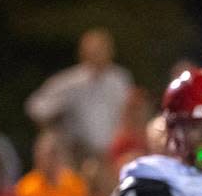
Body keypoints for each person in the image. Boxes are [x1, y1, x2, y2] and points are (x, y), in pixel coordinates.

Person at [25, 28, 133, 164]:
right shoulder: (70, 82)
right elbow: (36, 108)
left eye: (101, 50)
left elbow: (129, 112)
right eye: (93, 51)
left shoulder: (120, 79)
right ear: (82, 53)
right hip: (80, 154)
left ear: (111, 51)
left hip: (113, 154)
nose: (97, 55)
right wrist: (53, 129)